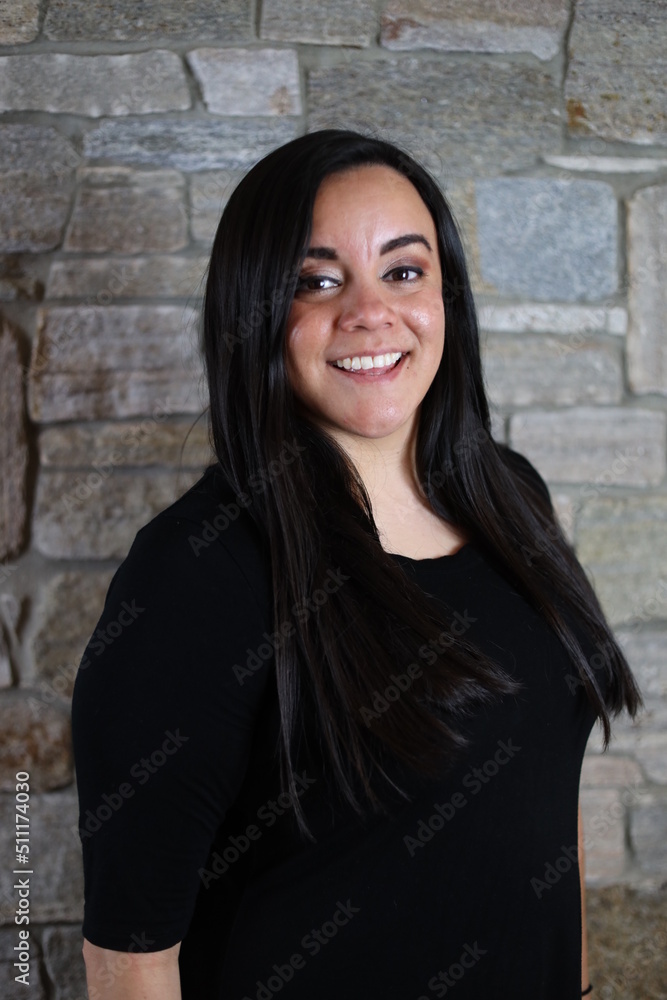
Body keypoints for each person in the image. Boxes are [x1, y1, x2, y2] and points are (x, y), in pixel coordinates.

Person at [71, 129, 642, 1000]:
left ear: (445, 291)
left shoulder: (508, 494)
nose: (370, 312)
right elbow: (130, 952)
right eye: (317, 280)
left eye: (403, 271)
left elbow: (539, 797)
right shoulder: (198, 570)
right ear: (255, 310)